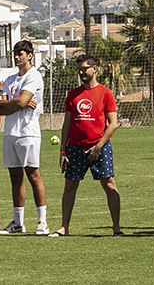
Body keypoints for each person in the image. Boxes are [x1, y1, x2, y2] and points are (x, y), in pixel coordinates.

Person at [50, 54, 123, 237]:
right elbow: (67, 124)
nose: (81, 72)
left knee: (109, 185)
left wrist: (98, 147)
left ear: (94, 69)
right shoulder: (72, 95)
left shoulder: (106, 93)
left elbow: (113, 124)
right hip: (75, 147)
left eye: (84, 69)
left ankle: (116, 228)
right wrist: (63, 150)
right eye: (78, 69)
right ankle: (64, 227)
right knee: (70, 186)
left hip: (100, 147)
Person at [0, 39, 49, 235]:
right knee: (15, 178)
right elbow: (1, 108)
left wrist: (14, 103)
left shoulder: (34, 76)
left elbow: (20, 102)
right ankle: (18, 223)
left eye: (21, 53)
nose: (17, 57)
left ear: (30, 56)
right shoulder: (10, 79)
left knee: (33, 175)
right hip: (10, 132)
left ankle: (42, 222)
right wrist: (13, 103)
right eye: (15, 53)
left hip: (28, 132)